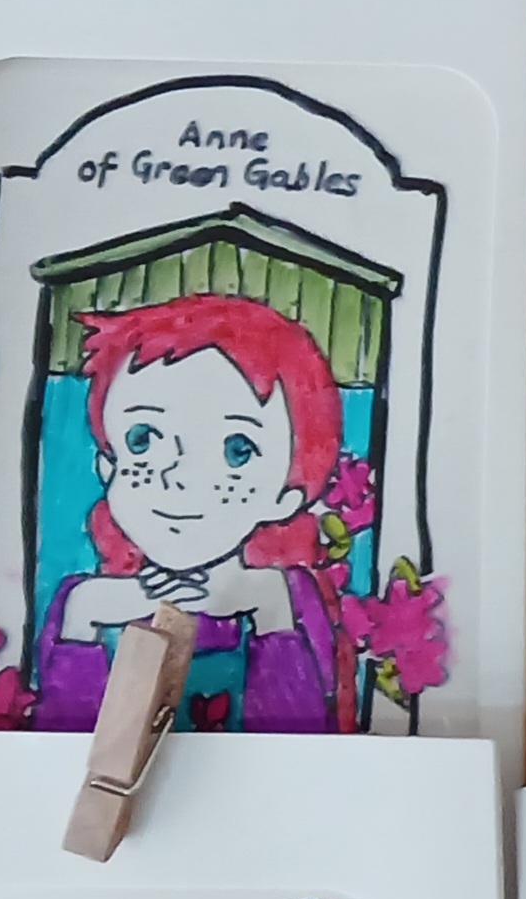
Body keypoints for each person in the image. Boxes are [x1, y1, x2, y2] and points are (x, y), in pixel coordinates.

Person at [30, 296, 350, 736]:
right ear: (107, 465)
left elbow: (305, 748)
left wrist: (272, 616)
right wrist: (81, 628)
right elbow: (59, 753)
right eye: (143, 439)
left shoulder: (289, 598)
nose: (178, 474)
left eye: (238, 449)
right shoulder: (83, 600)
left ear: (287, 495)